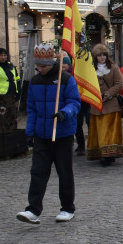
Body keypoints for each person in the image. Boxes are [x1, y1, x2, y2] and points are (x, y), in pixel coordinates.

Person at [17, 43, 81, 225]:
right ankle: (33, 210)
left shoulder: (66, 79)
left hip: (62, 133)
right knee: (38, 172)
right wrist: (30, 132)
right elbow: (31, 108)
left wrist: (64, 113)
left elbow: (75, 102)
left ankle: (67, 208)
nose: (40, 68)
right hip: (42, 135)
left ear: (52, 63)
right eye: (38, 66)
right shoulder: (35, 81)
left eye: (43, 66)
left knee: (64, 172)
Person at [86, 44, 123, 166]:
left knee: (110, 130)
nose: (102, 57)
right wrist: (95, 95)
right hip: (97, 105)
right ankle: (101, 153)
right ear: (95, 57)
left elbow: (119, 84)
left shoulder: (114, 68)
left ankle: (110, 153)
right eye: (99, 55)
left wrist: (107, 95)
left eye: (104, 55)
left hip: (111, 103)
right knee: (100, 129)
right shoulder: (91, 69)